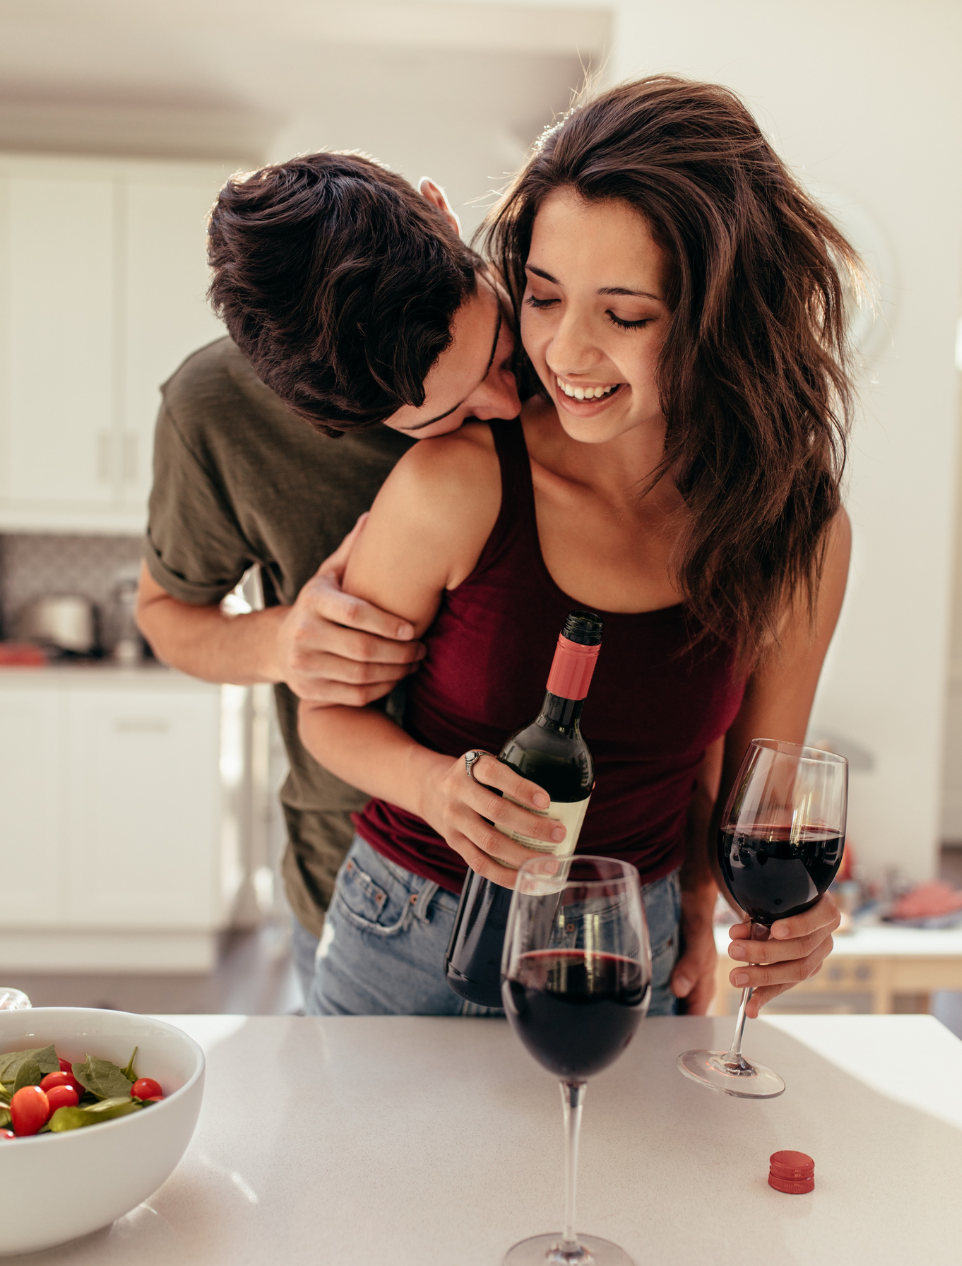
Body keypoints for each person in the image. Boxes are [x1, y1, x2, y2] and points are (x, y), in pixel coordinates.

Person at [298, 75, 854, 1020]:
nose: (564, 353)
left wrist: (768, 913)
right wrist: (438, 787)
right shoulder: (461, 481)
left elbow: (760, 791)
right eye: (545, 297)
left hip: (621, 941)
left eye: (626, 315)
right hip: (412, 932)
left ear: (724, 321)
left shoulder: (795, 529)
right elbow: (325, 716)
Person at [136, 152, 522, 999]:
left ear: (442, 212)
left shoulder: (559, 311)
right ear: (318, 414)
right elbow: (166, 616)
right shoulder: (214, 410)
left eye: (497, 353)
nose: (508, 405)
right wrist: (284, 643)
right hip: (351, 876)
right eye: (447, 417)